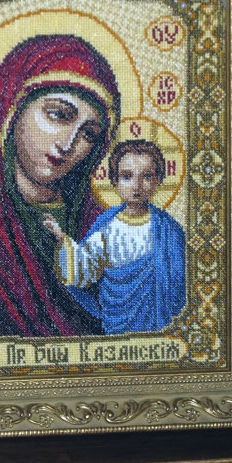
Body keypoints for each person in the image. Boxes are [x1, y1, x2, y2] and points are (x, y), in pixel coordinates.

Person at [0, 34, 121, 337]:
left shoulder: (105, 227)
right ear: (11, 111)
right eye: (58, 115)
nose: (68, 144)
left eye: (88, 134)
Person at [44, 139, 186, 334]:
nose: (137, 185)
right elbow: (85, 267)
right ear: (114, 181)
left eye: (147, 176)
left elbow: (181, 281)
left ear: (158, 181)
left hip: (160, 323)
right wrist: (62, 239)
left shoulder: (169, 230)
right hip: (116, 319)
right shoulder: (107, 226)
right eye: (127, 176)